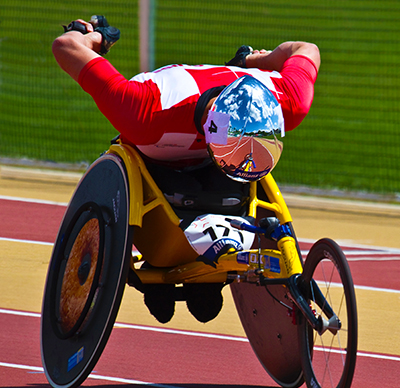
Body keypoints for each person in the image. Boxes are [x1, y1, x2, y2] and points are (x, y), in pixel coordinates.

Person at [52, 16, 320, 323]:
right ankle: (166, 266)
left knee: (230, 196)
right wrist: (88, 38)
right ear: (211, 131)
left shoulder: (288, 102)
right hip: (155, 165)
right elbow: (65, 46)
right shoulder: (142, 109)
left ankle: (205, 276)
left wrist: (256, 60)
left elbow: (306, 48)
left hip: (214, 167)